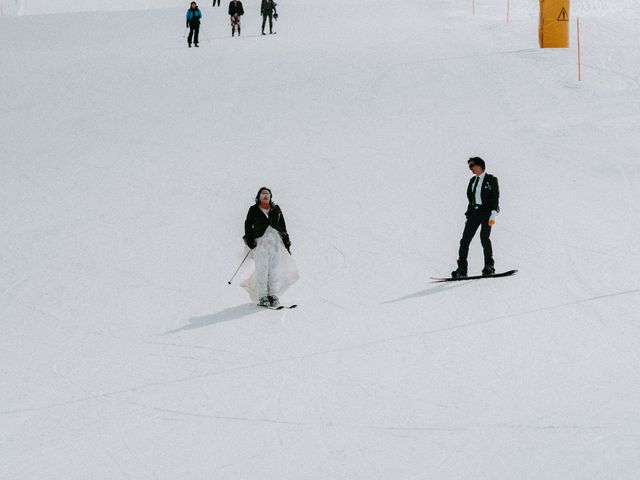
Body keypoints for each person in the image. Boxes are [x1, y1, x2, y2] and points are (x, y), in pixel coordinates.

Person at [242, 187, 298, 307]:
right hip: (261, 243)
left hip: (275, 243)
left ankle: (273, 294)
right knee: (262, 270)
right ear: (259, 197)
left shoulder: (276, 209)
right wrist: (250, 240)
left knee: (274, 270)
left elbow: (282, 225)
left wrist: (286, 239)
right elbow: (248, 224)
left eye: (267, 194)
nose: (265, 196)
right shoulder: (253, 209)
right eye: (263, 194)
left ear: (270, 196)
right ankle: (262, 296)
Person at [451, 157, 500, 278]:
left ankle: (489, 266)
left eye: (472, 166)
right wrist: (468, 214)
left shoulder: (491, 179)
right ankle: (462, 268)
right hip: (474, 212)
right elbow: (470, 199)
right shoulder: (472, 181)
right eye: (469, 167)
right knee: (465, 240)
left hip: (487, 212)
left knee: (484, 238)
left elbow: (495, 197)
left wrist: (493, 213)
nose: (470, 169)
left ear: (479, 166)